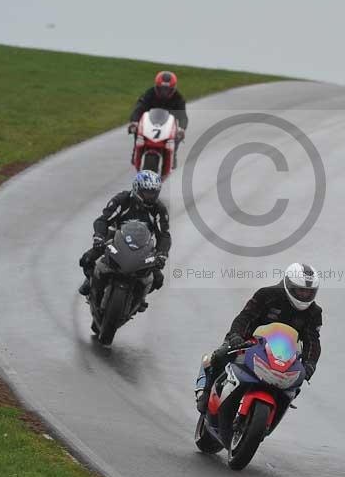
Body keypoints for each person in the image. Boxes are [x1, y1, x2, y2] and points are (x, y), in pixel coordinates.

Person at [196, 263, 322, 412]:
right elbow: (245, 317)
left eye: (308, 292)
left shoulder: (314, 312)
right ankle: (205, 391)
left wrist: (310, 363)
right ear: (289, 285)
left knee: (296, 384)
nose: (304, 295)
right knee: (220, 355)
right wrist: (236, 336)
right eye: (301, 290)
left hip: (284, 354)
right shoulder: (267, 295)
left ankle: (280, 406)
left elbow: (312, 340)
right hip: (249, 342)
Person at [78, 170, 171, 305]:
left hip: (143, 248)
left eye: (153, 193)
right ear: (136, 188)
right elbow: (102, 220)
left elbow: (164, 235)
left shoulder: (159, 209)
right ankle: (91, 282)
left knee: (158, 279)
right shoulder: (122, 200)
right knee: (86, 260)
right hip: (114, 240)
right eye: (147, 192)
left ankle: (138, 299)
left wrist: (162, 254)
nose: (150, 196)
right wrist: (98, 237)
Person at [128, 71, 188, 165]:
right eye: (162, 89)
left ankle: (173, 154)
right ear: (156, 87)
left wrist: (182, 129)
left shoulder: (178, 98)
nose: (164, 92)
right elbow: (139, 107)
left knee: (178, 135)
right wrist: (134, 121)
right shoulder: (149, 93)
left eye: (168, 90)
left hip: (168, 124)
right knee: (137, 129)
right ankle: (136, 151)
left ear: (173, 89)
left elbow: (183, 116)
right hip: (149, 121)